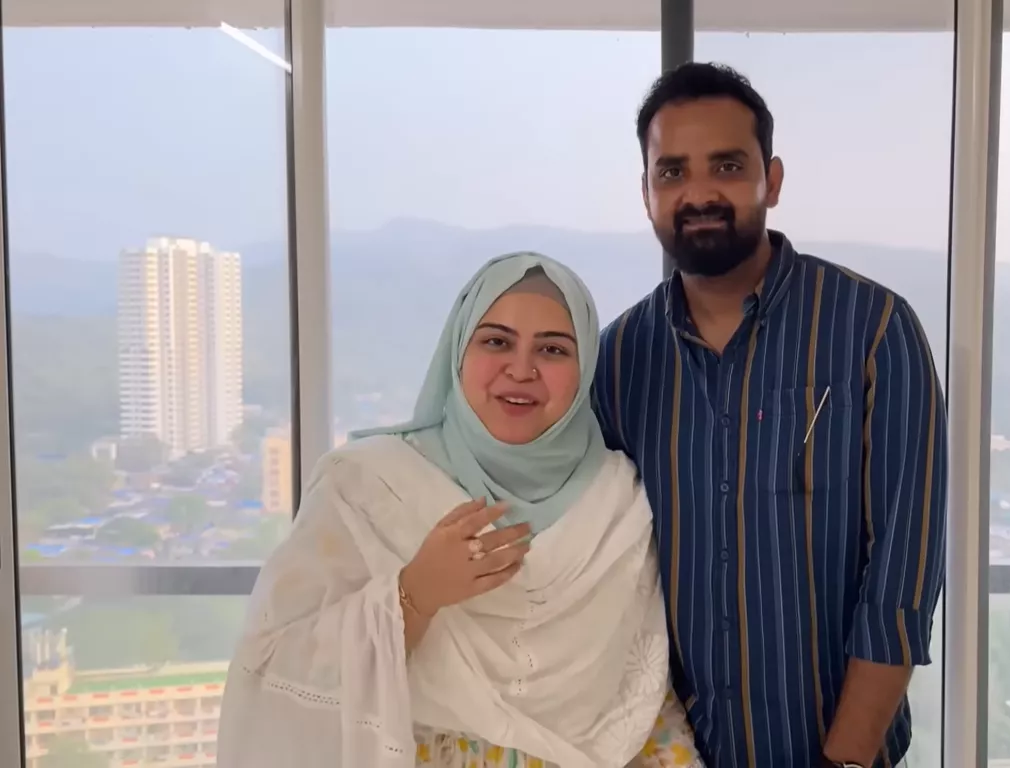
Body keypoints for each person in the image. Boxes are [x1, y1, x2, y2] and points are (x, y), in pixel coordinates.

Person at [592, 63, 948, 768]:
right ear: (647, 193)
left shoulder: (873, 330)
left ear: (772, 180)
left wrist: (846, 760)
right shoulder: (620, 358)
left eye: (727, 166)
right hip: (666, 754)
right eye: (672, 171)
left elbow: (901, 579)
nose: (699, 194)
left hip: (836, 753)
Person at [219, 253, 702, 768]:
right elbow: (275, 663)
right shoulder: (367, 486)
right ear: (457, 351)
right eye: (496, 342)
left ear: (584, 371)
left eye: (553, 349)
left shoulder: (618, 500)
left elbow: (642, 697)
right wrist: (414, 594)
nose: (522, 369)